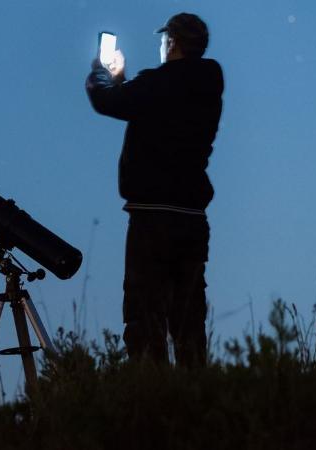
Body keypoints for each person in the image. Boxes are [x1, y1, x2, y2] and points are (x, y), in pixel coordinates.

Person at [85, 13, 224, 367]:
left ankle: (152, 399)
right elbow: (155, 102)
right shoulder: (209, 82)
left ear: (173, 42)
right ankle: (194, 398)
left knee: (145, 313)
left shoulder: (157, 83)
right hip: (192, 217)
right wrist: (125, 83)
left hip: (152, 217)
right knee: (189, 315)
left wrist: (103, 74)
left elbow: (109, 102)